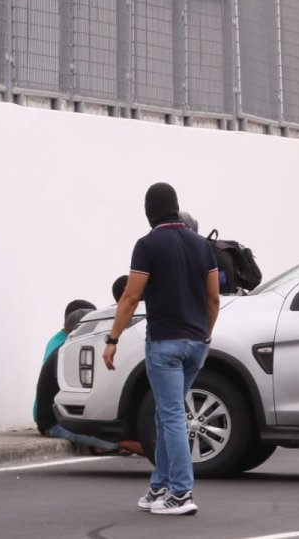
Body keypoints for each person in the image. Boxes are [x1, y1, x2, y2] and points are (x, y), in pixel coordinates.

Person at [104, 183, 219, 516]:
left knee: (171, 417)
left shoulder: (147, 245)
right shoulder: (202, 246)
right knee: (165, 413)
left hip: (164, 345)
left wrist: (112, 341)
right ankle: (160, 486)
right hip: (197, 344)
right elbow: (213, 298)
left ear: (148, 211)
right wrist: (204, 336)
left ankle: (182, 494)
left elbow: (129, 297)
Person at [35, 303, 142, 456]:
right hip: (56, 423)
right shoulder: (72, 353)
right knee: (128, 444)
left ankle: (107, 446)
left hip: (68, 418)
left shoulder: (73, 349)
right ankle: (111, 446)